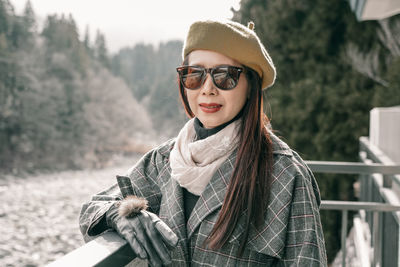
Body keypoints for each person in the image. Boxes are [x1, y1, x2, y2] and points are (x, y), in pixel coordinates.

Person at [79, 19, 327, 266]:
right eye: (194, 75)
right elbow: (92, 209)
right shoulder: (163, 161)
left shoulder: (284, 174)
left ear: (251, 86)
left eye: (225, 76)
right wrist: (122, 215)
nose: (207, 89)